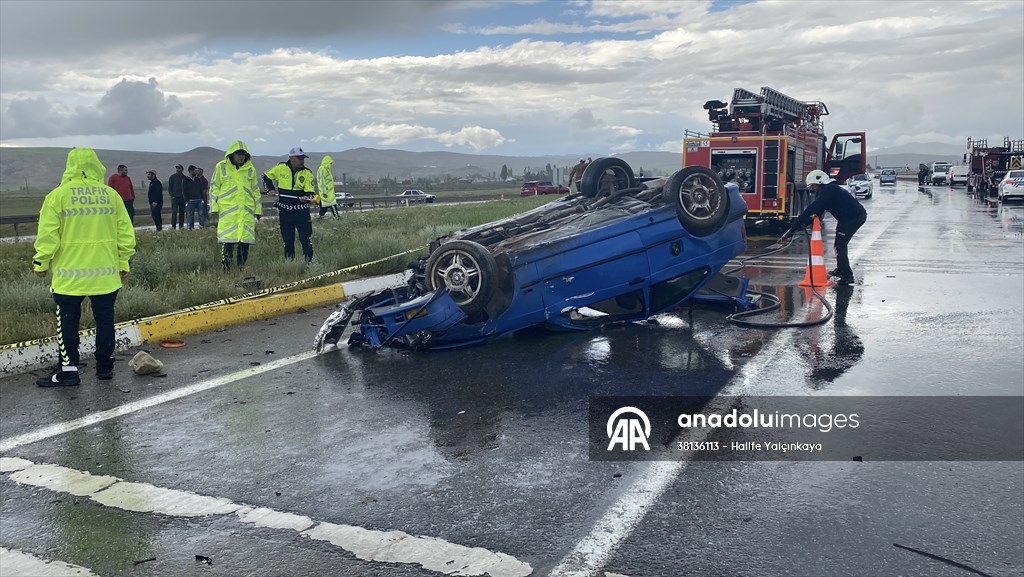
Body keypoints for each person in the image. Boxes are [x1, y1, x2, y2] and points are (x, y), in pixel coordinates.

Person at [32, 148, 136, 386]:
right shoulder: (111, 195)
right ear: (96, 166)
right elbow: (125, 233)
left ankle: (68, 371)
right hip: (106, 275)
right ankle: (104, 367)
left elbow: (48, 235)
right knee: (105, 319)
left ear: (69, 166)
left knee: (67, 321)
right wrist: (123, 261)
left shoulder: (58, 196)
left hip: (70, 277)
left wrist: (41, 262)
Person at [781, 169, 867, 286]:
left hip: (853, 218)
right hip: (846, 219)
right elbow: (816, 211)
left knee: (840, 245)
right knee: (838, 245)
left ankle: (847, 275)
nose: (812, 189)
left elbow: (812, 208)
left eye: (813, 186)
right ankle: (841, 270)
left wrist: (792, 230)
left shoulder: (829, 190)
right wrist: (799, 226)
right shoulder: (828, 190)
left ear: (819, 182)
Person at [211, 141, 262, 270]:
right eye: (238, 154)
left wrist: (258, 209)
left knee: (244, 242)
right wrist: (214, 206)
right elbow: (214, 187)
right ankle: (226, 269)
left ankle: (241, 268)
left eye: (243, 154)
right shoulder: (221, 167)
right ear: (232, 154)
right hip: (228, 212)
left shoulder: (250, 169)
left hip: (246, 212)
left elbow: (255, 190)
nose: (241, 156)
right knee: (228, 241)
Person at [263, 147, 315, 262]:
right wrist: (270, 189)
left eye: (303, 158)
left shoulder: (307, 173)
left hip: (301, 213)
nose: (302, 161)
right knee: (288, 241)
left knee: (306, 240)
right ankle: (290, 265)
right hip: (285, 213)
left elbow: (311, 192)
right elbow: (266, 176)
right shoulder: (280, 168)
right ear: (291, 158)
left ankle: (309, 265)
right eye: (299, 158)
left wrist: (307, 197)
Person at [167, 164, 188, 229]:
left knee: (182, 213)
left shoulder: (185, 178)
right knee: (174, 212)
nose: (177, 169)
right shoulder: (172, 177)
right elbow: (170, 187)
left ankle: (181, 226)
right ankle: (173, 226)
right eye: (177, 168)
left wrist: (186, 197)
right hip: (175, 198)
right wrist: (172, 196)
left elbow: (187, 188)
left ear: (182, 169)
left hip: (182, 198)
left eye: (179, 168)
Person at [185, 164, 204, 229]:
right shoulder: (186, 180)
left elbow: (200, 188)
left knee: (201, 214)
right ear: (191, 171)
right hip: (191, 200)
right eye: (195, 171)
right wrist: (187, 199)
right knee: (191, 215)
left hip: (199, 200)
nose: (196, 172)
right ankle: (191, 228)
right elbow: (184, 190)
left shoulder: (197, 179)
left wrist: (202, 197)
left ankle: (202, 227)